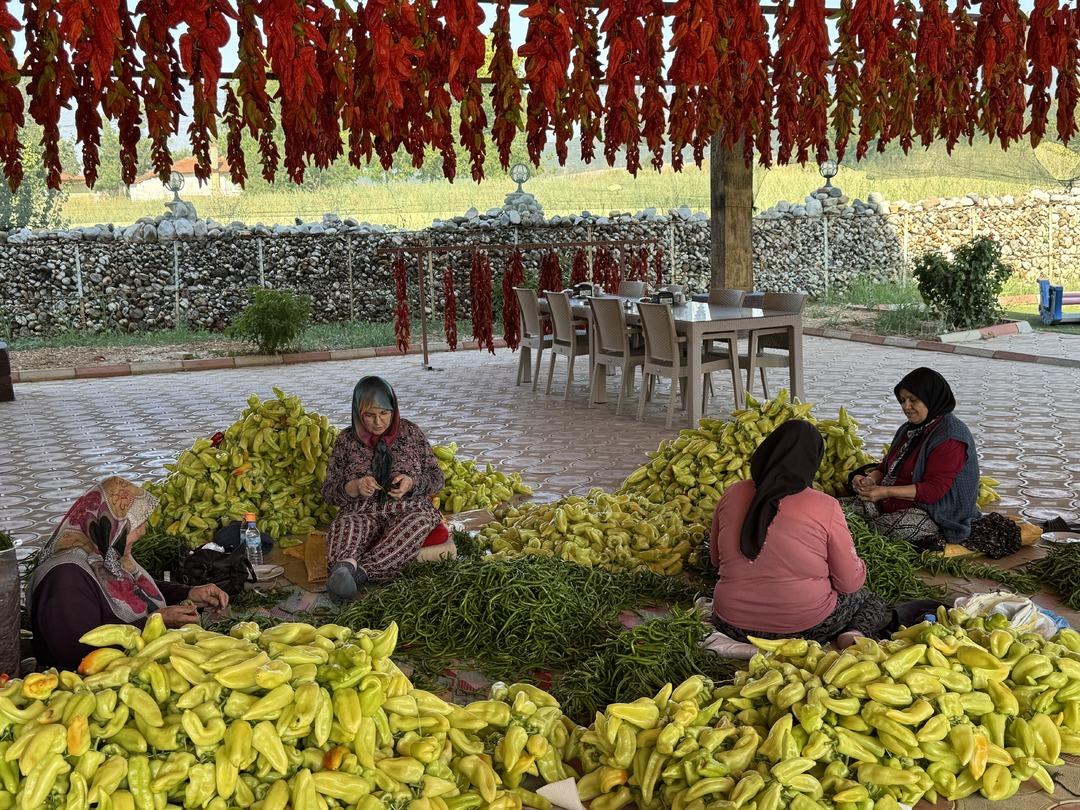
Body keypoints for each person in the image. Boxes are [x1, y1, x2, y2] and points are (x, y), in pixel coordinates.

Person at [709, 420, 891, 646]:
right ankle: (854, 633)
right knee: (870, 600)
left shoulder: (732, 492)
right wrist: (858, 565)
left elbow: (715, 560)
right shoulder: (825, 506)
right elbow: (848, 584)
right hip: (805, 627)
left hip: (731, 623)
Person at [27, 477, 229, 671]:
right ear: (110, 526)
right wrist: (152, 623)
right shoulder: (64, 580)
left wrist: (188, 593)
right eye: (135, 525)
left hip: (128, 666)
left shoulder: (101, 552)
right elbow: (76, 654)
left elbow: (132, 588)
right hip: (84, 684)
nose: (143, 531)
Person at [322, 376, 445, 600]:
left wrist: (411, 483)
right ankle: (343, 568)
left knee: (415, 524)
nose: (378, 422)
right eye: (369, 415)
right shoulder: (346, 440)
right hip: (361, 510)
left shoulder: (411, 433)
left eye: (384, 413)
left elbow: (437, 477)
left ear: (393, 409)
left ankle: (360, 574)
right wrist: (354, 487)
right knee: (345, 525)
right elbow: (329, 491)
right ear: (358, 413)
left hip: (408, 508)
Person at [848, 367, 980, 550]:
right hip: (893, 502)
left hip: (936, 514)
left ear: (931, 397)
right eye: (902, 400)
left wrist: (885, 492)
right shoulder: (909, 429)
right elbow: (886, 467)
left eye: (913, 400)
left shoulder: (950, 438)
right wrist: (870, 480)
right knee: (834, 512)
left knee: (870, 530)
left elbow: (933, 490)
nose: (905, 406)